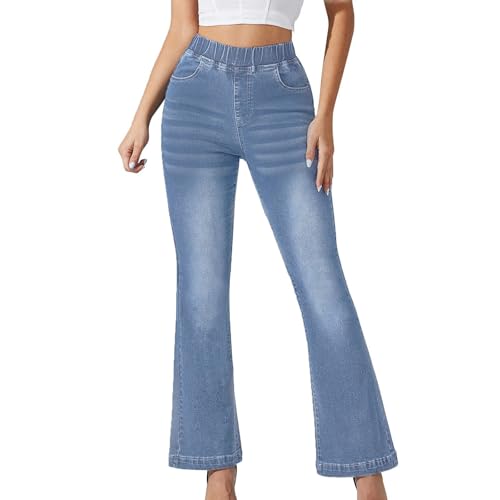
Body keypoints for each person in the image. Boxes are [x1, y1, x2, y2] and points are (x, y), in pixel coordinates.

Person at [118, 1, 398, 498]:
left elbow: (341, 12)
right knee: (201, 292)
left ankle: (366, 472)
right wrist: (142, 115)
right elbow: (183, 27)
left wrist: (326, 115)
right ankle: (218, 475)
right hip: (194, 95)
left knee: (323, 286)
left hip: (281, 95)